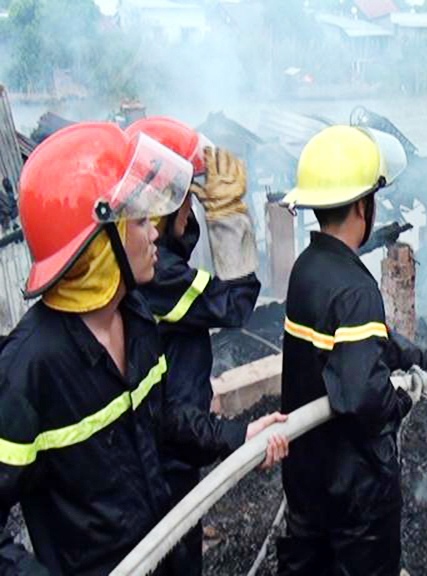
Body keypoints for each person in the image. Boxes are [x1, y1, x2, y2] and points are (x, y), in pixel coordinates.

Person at [0, 123, 289, 575]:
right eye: (138, 220)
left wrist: (237, 437)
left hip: (167, 547)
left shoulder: (134, 316)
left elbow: (162, 421)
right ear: (100, 242)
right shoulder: (29, 369)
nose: (154, 234)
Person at [276, 125, 427, 575]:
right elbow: (364, 399)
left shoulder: (307, 268)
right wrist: (405, 397)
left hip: (308, 480)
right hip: (354, 498)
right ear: (362, 206)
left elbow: (377, 342)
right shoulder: (355, 289)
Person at [125, 116, 262, 575]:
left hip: (159, 451)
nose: (193, 209)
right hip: (165, 464)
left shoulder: (152, 262)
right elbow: (233, 304)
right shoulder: (158, 273)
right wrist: (230, 219)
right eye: (188, 197)